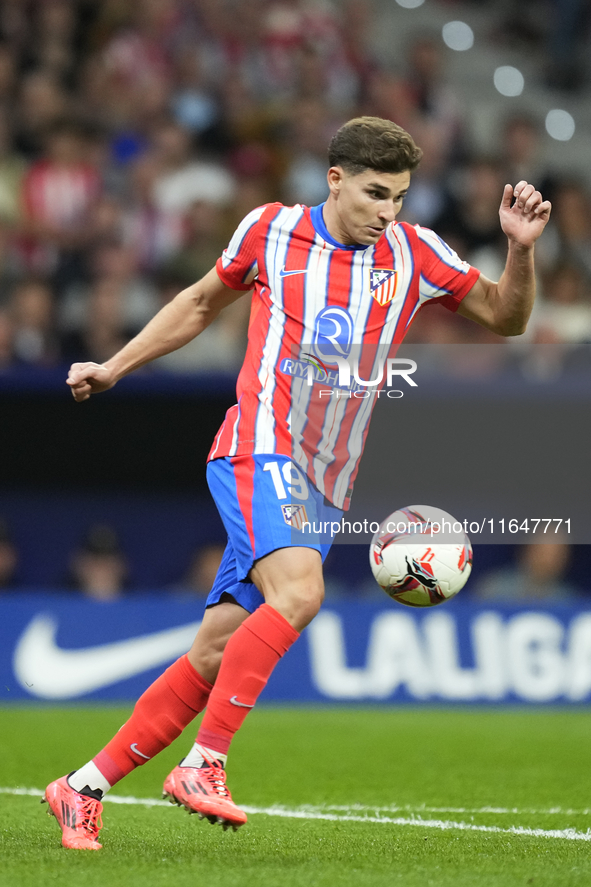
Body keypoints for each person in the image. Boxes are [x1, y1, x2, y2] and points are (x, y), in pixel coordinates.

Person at [42, 116, 551, 850]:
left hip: (326, 480)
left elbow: (506, 316)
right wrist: (113, 366)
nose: (388, 212)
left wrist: (519, 251)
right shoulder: (271, 231)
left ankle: (80, 787)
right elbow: (196, 303)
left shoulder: (413, 252)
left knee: (216, 650)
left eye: (400, 197)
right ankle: (205, 764)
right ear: (335, 179)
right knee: (301, 592)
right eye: (375, 194)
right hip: (259, 445)